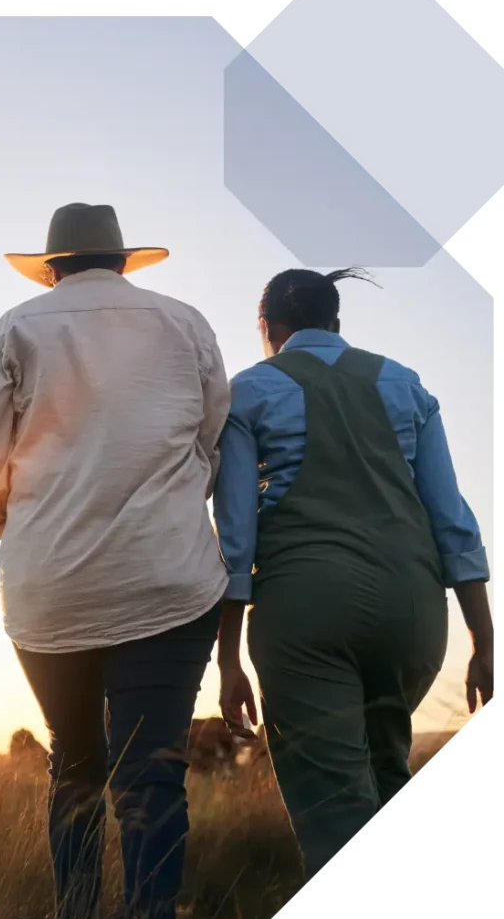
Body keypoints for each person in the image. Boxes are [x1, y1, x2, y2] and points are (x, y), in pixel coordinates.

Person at [0, 203, 232, 919]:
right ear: (121, 260)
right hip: (169, 582)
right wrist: (167, 499)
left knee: (75, 764)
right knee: (153, 775)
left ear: (51, 269)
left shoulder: (14, 328)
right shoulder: (186, 322)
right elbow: (210, 439)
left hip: (49, 591)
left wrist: (15, 522)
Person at [212, 267, 495, 887]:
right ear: (336, 322)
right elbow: (452, 519)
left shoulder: (250, 391)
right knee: (387, 772)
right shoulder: (404, 383)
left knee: (336, 812)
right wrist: (485, 641)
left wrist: (228, 658)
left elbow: (236, 538)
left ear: (267, 327)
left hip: (305, 610)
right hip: (412, 611)